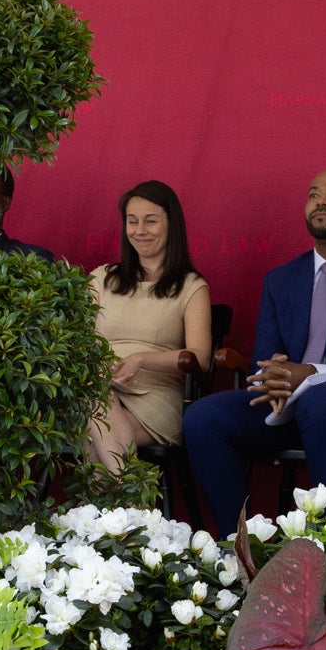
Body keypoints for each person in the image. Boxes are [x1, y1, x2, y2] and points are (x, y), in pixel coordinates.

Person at [181, 170, 326, 526]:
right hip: (284, 402)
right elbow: (265, 356)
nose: (320, 201)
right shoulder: (281, 278)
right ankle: (241, 546)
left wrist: (310, 375)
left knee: (322, 402)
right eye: (313, 194)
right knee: (203, 416)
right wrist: (273, 377)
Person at [84, 180, 213, 470]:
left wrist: (140, 360)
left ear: (171, 226)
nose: (139, 230)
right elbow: (74, 341)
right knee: (94, 403)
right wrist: (99, 366)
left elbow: (201, 358)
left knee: (93, 433)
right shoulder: (101, 279)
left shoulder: (191, 287)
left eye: (150, 221)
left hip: (155, 398)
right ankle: (131, 509)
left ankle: (113, 513)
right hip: (99, 387)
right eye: (132, 221)